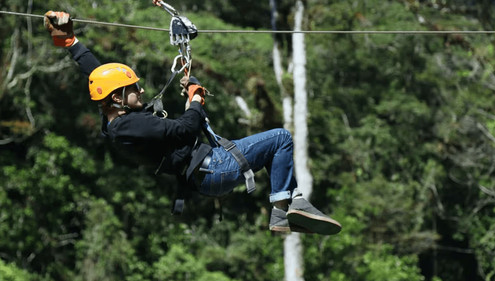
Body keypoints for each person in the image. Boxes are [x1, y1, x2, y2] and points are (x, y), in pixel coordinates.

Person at [43, 8, 342, 235]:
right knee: (281, 138)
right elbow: (186, 129)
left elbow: (96, 73)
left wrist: (69, 40)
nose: (142, 90)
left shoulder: (113, 117)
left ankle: (281, 215)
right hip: (213, 168)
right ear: (118, 98)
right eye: (134, 88)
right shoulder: (129, 127)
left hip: (206, 171)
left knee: (274, 145)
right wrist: (196, 99)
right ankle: (290, 205)